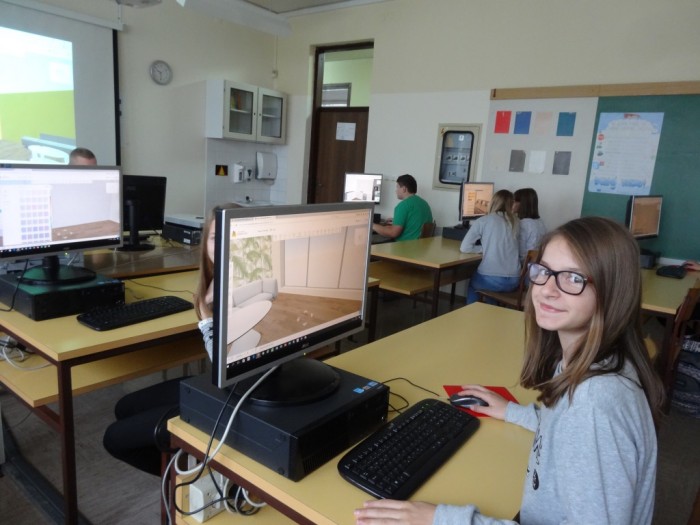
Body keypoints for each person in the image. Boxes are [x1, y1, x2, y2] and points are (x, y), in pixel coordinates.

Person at [355, 216, 664, 525]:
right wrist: (513, 412)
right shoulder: (592, 362)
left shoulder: (594, 404)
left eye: (573, 278)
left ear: (613, 290)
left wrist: (441, 519)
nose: (547, 289)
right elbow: (561, 427)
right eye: (544, 271)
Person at [103, 209, 217, 475]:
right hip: (215, 385)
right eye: (214, 238)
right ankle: (184, 464)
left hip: (232, 397)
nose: (222, 246)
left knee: (114, 439)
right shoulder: (213, 281)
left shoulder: (246, 289)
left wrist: (206, 320)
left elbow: (227, 364)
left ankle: (186, 481)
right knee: (125, 407)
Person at [460, 189, 520, 304]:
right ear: (511, 204)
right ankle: (492, 310)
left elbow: (464, 247)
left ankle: (471, 313)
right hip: (514, 280)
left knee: (474, 286)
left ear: (493, 202)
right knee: (490, 291)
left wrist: (483, 249)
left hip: (491, 279)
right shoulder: (516, 222)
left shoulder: (483, 221)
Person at [372, 174, 433, 241]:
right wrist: (398, 221)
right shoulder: (424, 203)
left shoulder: (403, 206)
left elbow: (392, 233)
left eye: (397, 187)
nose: (396, 191)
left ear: (404, 189)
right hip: (421, 245)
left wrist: (372, 225)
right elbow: (415, 223)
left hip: (405, 246)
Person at [513, 188, 546, 262]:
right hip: (535, 262)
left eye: (514, 201)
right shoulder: (540, 222)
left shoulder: (523, 224)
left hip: (524, 263)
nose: (512, 204)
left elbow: (521, 252)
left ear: (522, 204)